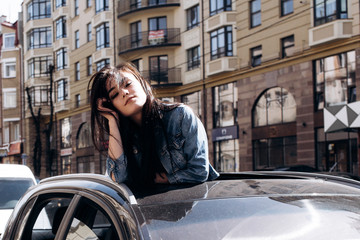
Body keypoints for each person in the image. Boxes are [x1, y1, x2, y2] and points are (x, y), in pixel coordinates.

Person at [88, 62, 219, 189]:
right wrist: (112, 119)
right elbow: (118, 177)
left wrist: (168, 179)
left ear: (143, 84)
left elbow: (199, 171)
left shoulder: (180, 116)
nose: (124, 92)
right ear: (111, 105)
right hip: (142, 209)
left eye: (127, 84)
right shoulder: (121, 134)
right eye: (114, 94)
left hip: (193, 205)